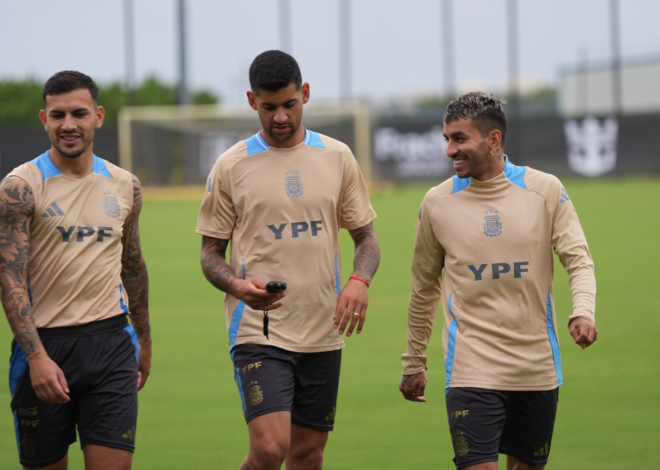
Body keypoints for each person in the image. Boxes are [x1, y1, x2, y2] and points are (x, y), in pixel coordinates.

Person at [197, 50, 380, 470]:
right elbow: (210, 255)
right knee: (269, 450)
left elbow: (366, 238)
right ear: (251, 101)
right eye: (269, 107)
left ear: (306, 94)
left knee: (307, 454)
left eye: (289, 104)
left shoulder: (337, 156)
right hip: (259, 330)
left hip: (322, 327)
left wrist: (359, 280)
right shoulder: (231, 165)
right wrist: (236, 286)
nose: (280, 117)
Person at [398, 92, 598, 470]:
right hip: (471, 369)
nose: (449, 150)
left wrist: (582, 312)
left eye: (459, 139)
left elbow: (579, 260)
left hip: (536, 368)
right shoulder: (436, 203)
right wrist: (413, 361)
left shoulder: (545, 191)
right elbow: (423, 288)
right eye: (447, 139)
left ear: (493, 141)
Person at [0, 71, 151, 470]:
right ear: (43, 119)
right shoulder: (20, 187)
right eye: (58, 114)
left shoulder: (125, 186)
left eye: (79, 113)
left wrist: (145, 339)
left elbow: (132, 264)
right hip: (45, 347)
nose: (68, 124)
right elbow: (9, 276)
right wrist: (36, 357)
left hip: (111, 343)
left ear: (98, 116)